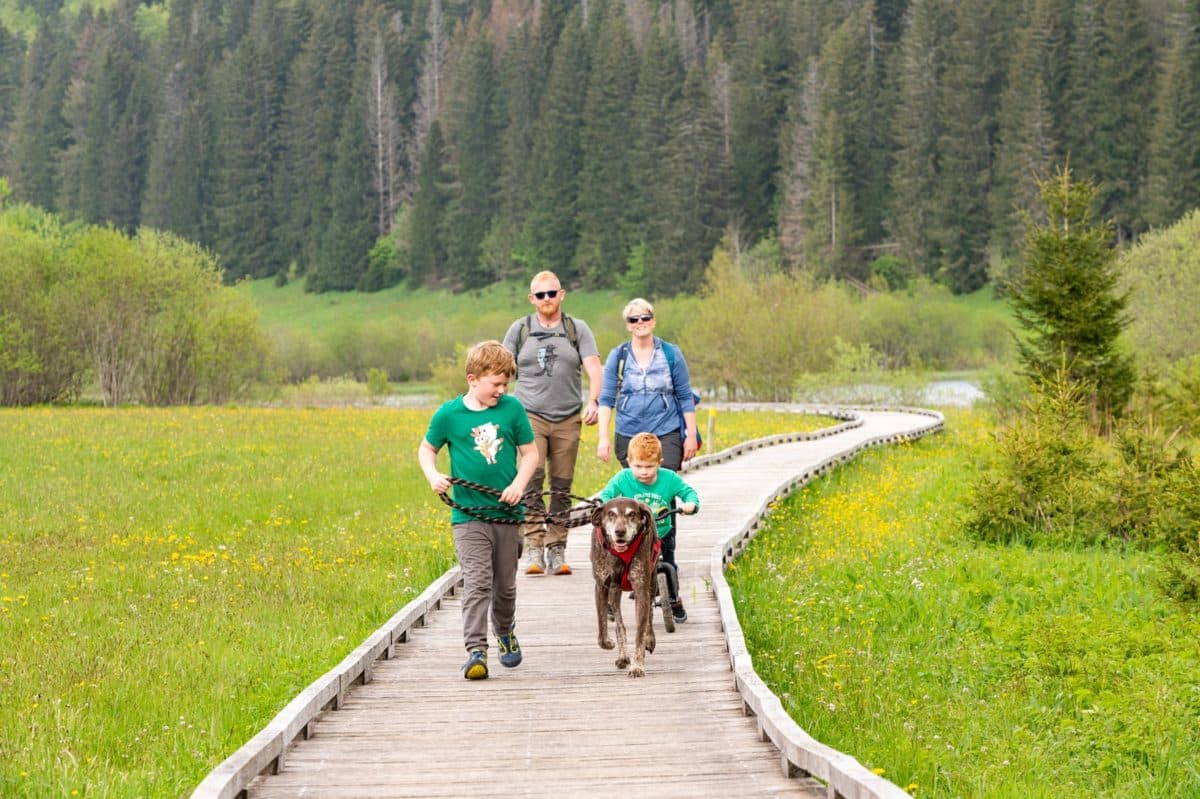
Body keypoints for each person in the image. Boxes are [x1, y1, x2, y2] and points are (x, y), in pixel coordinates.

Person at [418, 340, 539, 680]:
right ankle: (476, 651)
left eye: (505, 384)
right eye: (495, 384)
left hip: (507, 514)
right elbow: (426, 450)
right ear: (473, 379)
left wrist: (518, 484)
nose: (501, 391)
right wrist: (433, 476)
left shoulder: (512, 410)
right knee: (477, 582)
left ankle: (505, 630)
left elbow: (531, 454)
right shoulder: (449, 415)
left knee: (505, 586)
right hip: (468, 516)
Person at [502, 271, 603, 577]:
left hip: (568, 416)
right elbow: (502, 368)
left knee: (561, 485)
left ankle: (557, 547)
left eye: (552, 293)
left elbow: (594, 368)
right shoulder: (520, 330)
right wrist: (498, 405)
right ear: (532, 299)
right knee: (532, 480)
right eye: (540, 295)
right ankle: (534, 545)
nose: (547, 299)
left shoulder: (576, 329)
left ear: (562, 295)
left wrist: (595, 400)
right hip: (528, 414)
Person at [597, 432, 699, 621]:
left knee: (669, 564)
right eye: (638, 466)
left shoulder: (669, 478)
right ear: (628, 462)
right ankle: (612, 598)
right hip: (634, 537)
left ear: (660, 462)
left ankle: (674, 599)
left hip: (662, 532)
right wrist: (601, 503)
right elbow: (607, 493)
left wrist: (690, 504)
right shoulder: (623, 478)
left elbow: (688, 492)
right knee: (618, 562)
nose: (643, 471)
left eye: (650, 466)